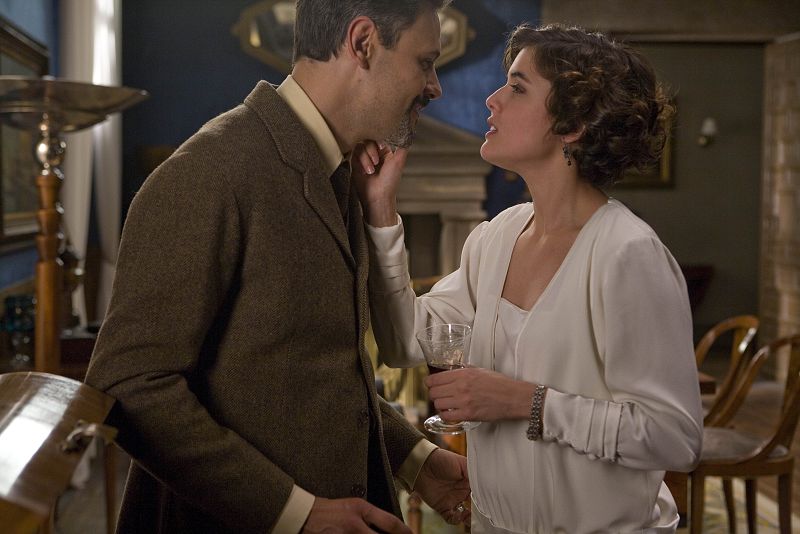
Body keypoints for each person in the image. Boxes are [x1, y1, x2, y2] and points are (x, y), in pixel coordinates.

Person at [84, 1, 471, 532]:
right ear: (362, 43)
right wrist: (298, 515)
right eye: (425, 62)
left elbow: (309, 373)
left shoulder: (339, 175)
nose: (435, 87)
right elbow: (129, 386)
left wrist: (416, 460)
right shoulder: (209, 172)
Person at [355, 23, 704, 533]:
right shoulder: (497, 236)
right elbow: (405, 340)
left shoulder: (628, 254)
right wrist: (381, 209)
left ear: (572, 125)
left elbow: (675, 437)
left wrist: (525, 402)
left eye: (517, 88)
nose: (492, 100)